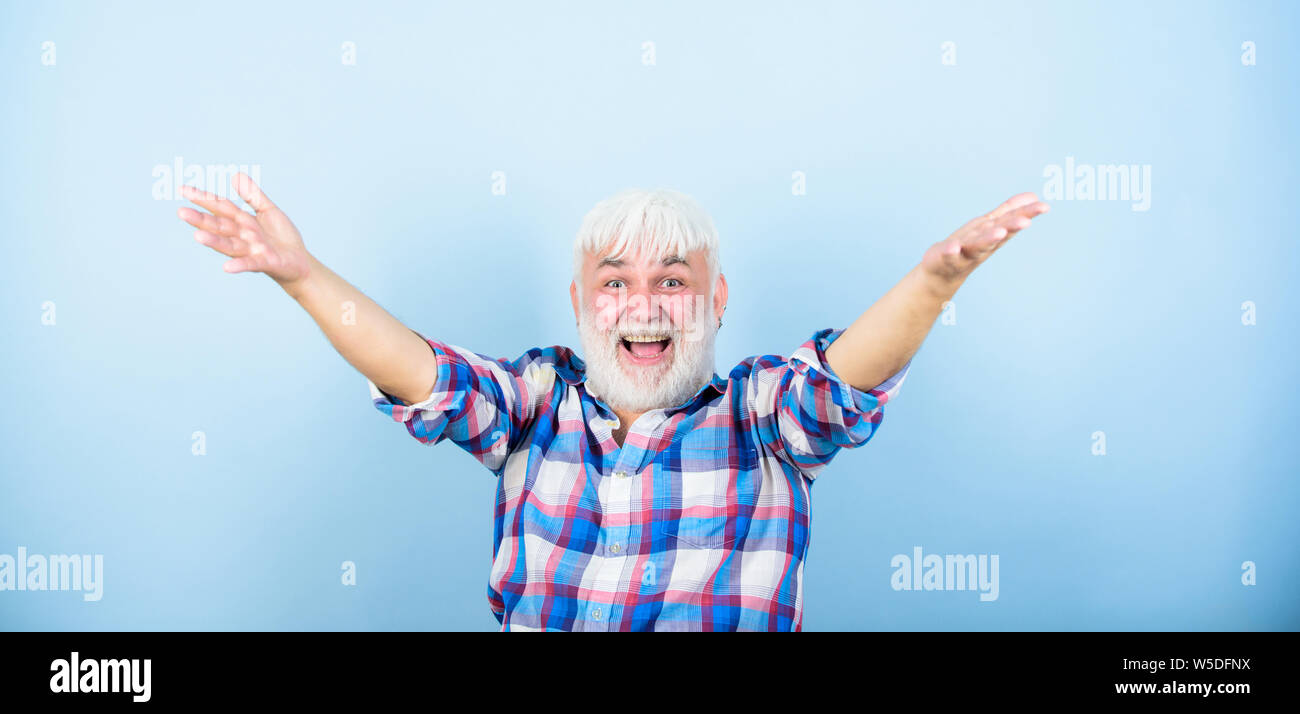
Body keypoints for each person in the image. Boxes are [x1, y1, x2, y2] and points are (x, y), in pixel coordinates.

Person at [177, 176, 1048, 631]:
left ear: (716, 304)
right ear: (580, 301)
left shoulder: (761, 417)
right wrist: (301, 278)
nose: (644, 303)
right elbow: (421, 373)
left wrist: (935, 282)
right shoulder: (536, 401)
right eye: (616, 280)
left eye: (674, 280)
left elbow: (842, 383)